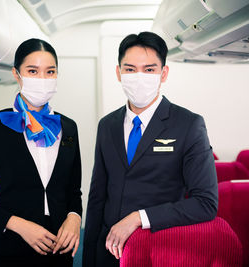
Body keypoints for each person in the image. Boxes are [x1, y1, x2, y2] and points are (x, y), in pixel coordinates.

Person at [83, 31, 218, 267]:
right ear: (119, 73)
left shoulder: (188, 125)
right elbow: (97, 198)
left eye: (149, 69)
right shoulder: (107, 125)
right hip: (107, 252)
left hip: (156, 250)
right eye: (130, 69)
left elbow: (205, 203)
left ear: (163, 73)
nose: (139, 77)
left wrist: (138, 218)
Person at [0, 38, 82, 267]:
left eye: (49, 71)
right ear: (17, 74)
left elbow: (73, 190)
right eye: (32, 71)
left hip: (59, 249)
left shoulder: (68, 127)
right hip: (10, 249)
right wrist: (17, 224)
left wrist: (74, 217)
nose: (42, 79)